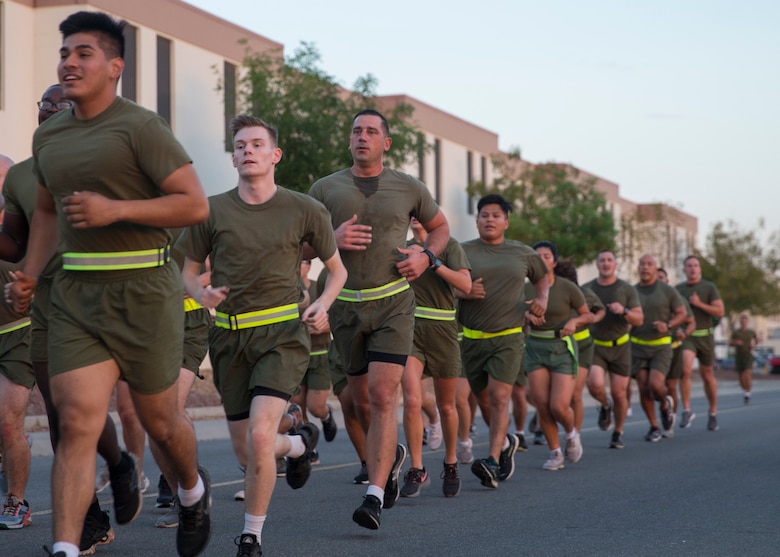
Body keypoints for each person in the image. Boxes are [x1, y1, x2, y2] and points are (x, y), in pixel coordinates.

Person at [6, 12, 211, 557]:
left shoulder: (141, 127)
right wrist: (28, 271)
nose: (69, 62)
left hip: (145, 292)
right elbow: (47, 214)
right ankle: (67, 549)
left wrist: (116, 208)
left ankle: (191, 491)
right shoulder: (49, 134)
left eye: (83, 54)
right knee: (73, 422)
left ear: (114, 66)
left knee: (160, 420)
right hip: (76, 297)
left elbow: (194, 204)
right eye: (64, 52)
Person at [178, 114, 347, 557]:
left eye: (256, 144)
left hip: (282, 336)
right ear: (233, 156)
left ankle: (251, 536)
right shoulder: (211, 209)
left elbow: (337, 270)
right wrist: (202, 293)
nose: (247, 151)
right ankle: (298, 442)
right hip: (229, 340)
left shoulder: (305, 209)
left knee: (257, 439)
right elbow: (187, 273)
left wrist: (322, 305)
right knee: (247, 449)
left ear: (275, 155)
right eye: (239, 145)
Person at [309, 109, 450, 529]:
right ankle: (387, 460)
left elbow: (439, 227)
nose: (362, 137)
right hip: (346, 306)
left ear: (386, 143)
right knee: (361, 401)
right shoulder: (324, 188)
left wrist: (426, 255)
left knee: (385, 395)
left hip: (393, 303)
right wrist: (327, 241)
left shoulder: (409, 187)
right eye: (356, 131)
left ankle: (373, 494)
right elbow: (296, 245)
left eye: (371, 131)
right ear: (349, 140)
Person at [456, 194, 549, 487]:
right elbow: (445, 285)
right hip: (470, 338)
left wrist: (542, 299)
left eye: (496, 215)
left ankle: (493, 461)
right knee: (481, 400)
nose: (490, 220)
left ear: (506, 222)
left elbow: (542, 278)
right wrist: (464, 292)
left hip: (508, 336)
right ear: (477, 220)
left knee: (499, 397)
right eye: (484, 215)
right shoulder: (462, 250)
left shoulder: (522, 253)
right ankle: (506, 442)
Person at [399, 217, 471, 498]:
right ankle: (417, 468)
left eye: (423, 210)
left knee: (447, 405)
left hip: (442, 329)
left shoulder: (450, 246)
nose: (416, 215)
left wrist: (432, 261)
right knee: (412, 400)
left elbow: (465, 284)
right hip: (409, 330)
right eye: (412, 211)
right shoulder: (401, 248)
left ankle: (450, 462)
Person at [524, 242, 591, 470]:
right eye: (537, 256)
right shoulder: (525, 287)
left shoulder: (567, 287)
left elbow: (587, 316)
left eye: (546, 255)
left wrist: (573, 321)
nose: (542, 259)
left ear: (554, 261)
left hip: (561, 347)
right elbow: (515, 312)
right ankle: (555, 453)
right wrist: (527, 316)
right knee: (542, 405)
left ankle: (572, 434)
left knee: (559, 406)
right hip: (535, 347)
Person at [583, 250, 644, 449]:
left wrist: (624, 311)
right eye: (602, 260)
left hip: (621, 346)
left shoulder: (626, 289)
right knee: (594, 384)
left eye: (610, 260)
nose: (606, 263)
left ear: (615, 264)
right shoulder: (588, 288)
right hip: (597, 346)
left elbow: (639, 319)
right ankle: (605, 405)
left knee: (619, 393)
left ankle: (618, 431)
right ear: (597, 264)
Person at [630, 255, 686, 442]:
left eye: (649, 264)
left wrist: (668, 325)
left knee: (655, 384)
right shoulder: (632, 291)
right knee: (644, 388)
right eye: (642, 264)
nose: (645, 268)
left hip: (661, 346)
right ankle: (654, 426)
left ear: (655, 268)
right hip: (637, 346)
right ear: (638, 267)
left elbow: (682, 314)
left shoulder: (667, 291)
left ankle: (665, 402)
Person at [290, 259, 340, 460]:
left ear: (309, 266)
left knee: (315, 406)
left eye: (303, 262)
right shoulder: (288, 289)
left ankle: (326, 415)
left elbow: (335, 318)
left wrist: (322, 326)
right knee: (297, 404)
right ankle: (308, 449)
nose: (299, 266)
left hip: (320, 355)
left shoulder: (319, 287)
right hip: (296, 356)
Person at [552, 260, 606, 436]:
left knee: (575, 393)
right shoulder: (549, 294)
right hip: (558, 346)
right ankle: (542, 421)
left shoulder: (585, 294)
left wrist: (593, 318)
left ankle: (575, 436)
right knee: (548, 394)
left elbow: (600, 311)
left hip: (582, 347)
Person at [675, 255, 725, 430]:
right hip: (688, 336)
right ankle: (687, 410)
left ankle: (712, 412)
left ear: (700, 269)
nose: (692, 268)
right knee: (685, 369)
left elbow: (720, 311)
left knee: (707, 376)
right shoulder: (678, 289)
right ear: (684, 270)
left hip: (706, 336)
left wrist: (699, 304)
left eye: (695, 265)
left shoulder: (708, 287)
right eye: (689, 266)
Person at [657, 267, 695, 422]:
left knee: (671, 386)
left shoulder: (677, 298)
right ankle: (663, 411)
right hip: (652, 348)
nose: (659, 280)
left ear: (667, 280)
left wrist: (684, 334)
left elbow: (691, 323)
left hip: (673, 347)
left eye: (661, 277)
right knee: (653, 386)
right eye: (656, 277)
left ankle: (669, 417)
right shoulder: (644, 296)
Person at [730, 314, 757, 404]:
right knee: (741, 376)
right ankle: (745, 391)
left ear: (747, 322)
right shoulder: (736, 333)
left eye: (745, 321)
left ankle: (748, 393)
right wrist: (735, 342)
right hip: (739, 356)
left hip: (748, 355)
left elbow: (756, 340)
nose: (744, 323)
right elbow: (730, 343)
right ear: (740, 322)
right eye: (742, 321)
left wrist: (754, 345)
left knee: (747, 373)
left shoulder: (751, 332)